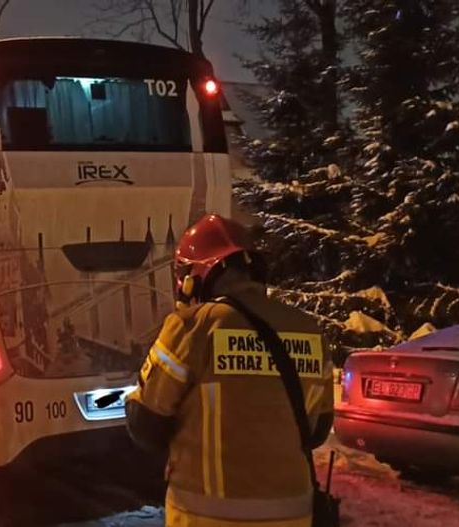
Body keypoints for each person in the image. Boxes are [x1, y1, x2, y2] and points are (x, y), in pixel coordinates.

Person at [126, 214, 334, 527]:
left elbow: (145, 423)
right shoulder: (308, 329)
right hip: (293, 513)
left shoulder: (192, 326)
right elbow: (318, 430)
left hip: (205, 516)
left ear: (194, 278)